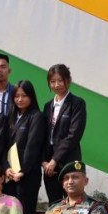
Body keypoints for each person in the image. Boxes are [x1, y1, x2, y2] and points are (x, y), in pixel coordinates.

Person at [41, 64, 87, 204]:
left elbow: (73, 136)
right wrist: (44, 161)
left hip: (68, 160)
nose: (56, 85)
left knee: (73, 201)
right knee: (54, 203)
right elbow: (43, 136)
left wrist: (55, 160)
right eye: (52, 81)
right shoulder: (48, 106)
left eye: (60, 80)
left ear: (69, 80)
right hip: (49, 165)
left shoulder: (77, 103)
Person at [5, 80, 46, 214]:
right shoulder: (11, 116)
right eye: (16, 96)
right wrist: (6, 168)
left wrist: (22, 171)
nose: (20, 99)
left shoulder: (37, 116)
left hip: (27, 175)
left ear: (31, 97)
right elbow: (4, 145)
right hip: (10, 175)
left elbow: (33, 145)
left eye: (24, 96)